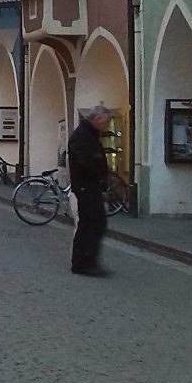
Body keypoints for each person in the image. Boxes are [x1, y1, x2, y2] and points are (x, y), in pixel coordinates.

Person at [69, 105, 112, 277]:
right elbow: (85, 162)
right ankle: (85, 262)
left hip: (88, 186)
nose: (105, 125)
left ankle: (83, 262)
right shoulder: (83, 136)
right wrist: (99, 176)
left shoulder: (88, 134)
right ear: (96, 119)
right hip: (87, 186)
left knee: (89, 223)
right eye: (104, 121)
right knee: (94, 223)